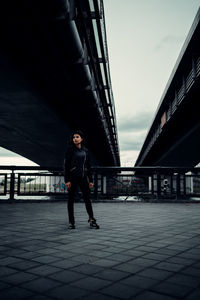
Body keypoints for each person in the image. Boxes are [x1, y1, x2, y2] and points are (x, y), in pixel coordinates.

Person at [64, 130, 100, 229]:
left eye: (77, 137)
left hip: (83, 178)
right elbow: (66, 166)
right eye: (73, 137)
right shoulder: (70, 150)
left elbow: (89, 166)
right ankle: (71, 222)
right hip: (72, 178)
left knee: (87, 199)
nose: (75, 139)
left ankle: (92, 220)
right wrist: (67, 180)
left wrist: (91, 180)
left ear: (81, 139)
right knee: (70, 200)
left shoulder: (86, 151)